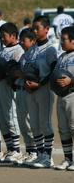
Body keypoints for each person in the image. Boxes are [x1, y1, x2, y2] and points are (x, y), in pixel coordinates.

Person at [23, 16, 57, 168]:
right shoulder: (31, 48)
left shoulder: (51, 49)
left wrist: (39, 83)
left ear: (47, 29)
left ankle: (48, 157)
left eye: (38, 28)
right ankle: (41, 154)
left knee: (45, 123)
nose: (35, 31)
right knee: (34, 124)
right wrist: (27, 83)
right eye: (33, 28)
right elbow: (27, 70)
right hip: (32, 91)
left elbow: (54, 71)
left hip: (44, 89)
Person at [0, 22, 24, 162]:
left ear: (13, 35)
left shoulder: (18, 50)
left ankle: (16, 150)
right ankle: (9, 149)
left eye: (4, 36)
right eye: (0, 36)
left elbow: (15, 69)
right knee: (1, 119)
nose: (2, 39)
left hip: (8, 88)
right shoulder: (0, 51)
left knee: (10, 117)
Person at [13, 28, 37, 165]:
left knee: (30, 122)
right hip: (20, 90)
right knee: (22, 123)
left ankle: (35, 151)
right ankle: (28, 151)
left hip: (30, 91)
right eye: (20, 40)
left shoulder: (35, 56)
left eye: (24, 40)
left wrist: (23, 75)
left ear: (33, 41)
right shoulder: (23, 56)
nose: (21, 43)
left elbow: (36, 74)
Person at [51, 26, 74, 171]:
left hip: (72, 94)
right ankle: (68, 159)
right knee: (63, 129)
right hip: (61, 96)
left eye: (64, 39)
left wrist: (71, 81)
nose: (61, 42)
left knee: (73, 127)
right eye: (60, 39)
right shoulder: (61, 57)